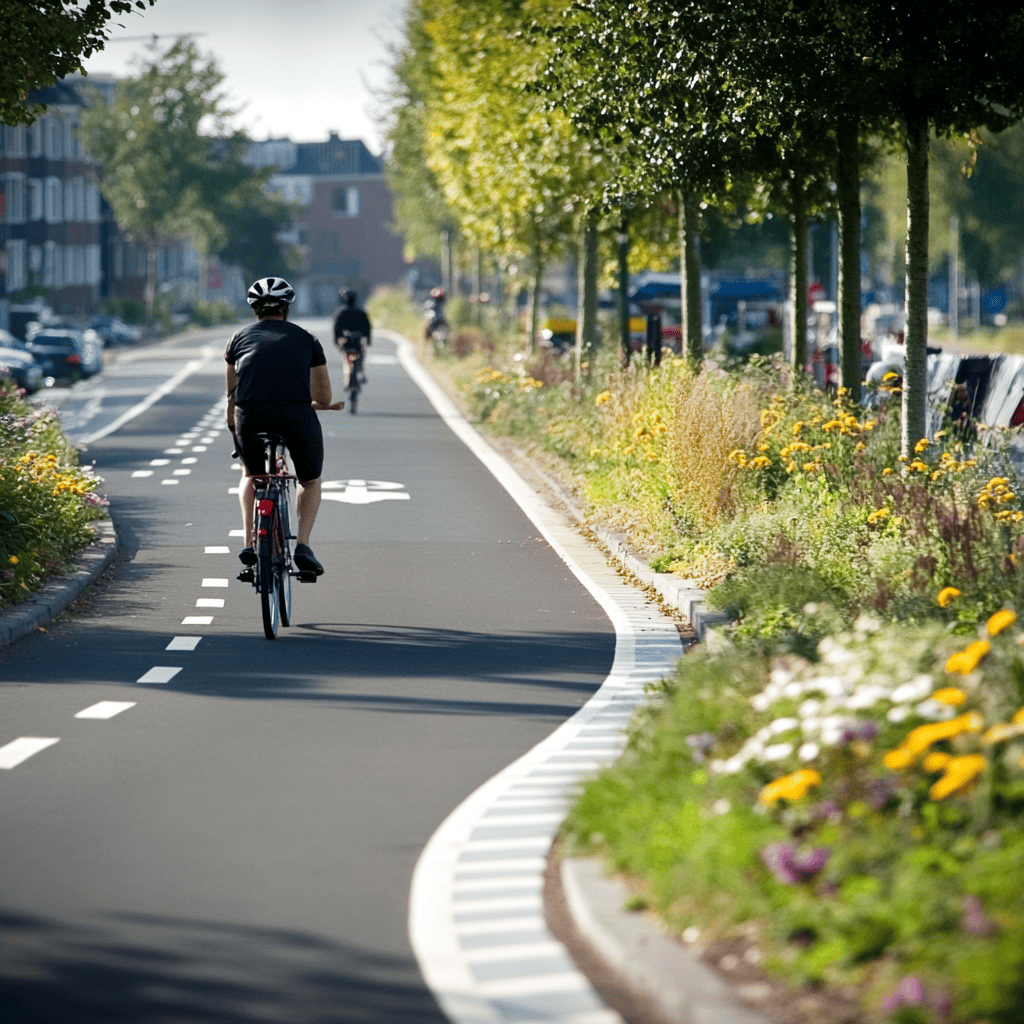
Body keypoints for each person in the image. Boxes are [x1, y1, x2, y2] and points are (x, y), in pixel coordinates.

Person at [226, 277, 342, 578]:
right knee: (311, 480)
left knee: (250, 475)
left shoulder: (237, 339)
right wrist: (315, 403)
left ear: (254, 309)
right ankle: (303, 545)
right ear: (285, 308)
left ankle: (250, 542)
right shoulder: (307, 339)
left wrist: (235, 429)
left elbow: (233, 395)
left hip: (249, 417)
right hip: (294, 416)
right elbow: (323, 397)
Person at [332, 288, 372, 385]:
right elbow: (367, 327)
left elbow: (337, 329)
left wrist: (337, 340)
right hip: (357, 341)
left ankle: (347, 378)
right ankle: (361, 372)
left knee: (346, 357)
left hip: (347, 342)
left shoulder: (341, 312)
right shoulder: (361, 312)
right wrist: (368, 339)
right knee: (361, 354)